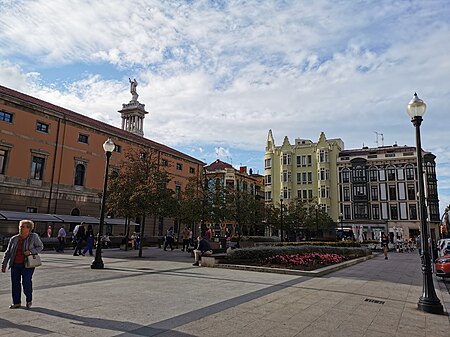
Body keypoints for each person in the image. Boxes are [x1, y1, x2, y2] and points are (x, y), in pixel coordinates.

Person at [1, 219, 44, 309]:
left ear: (29, 229)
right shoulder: (14, 238)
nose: (20, 228)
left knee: (26, 282)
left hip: (27, 265)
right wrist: (4, 264)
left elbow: (40, 247)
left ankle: (29, 299)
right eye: (20, 226)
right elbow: (8, 252)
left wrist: (31, 251)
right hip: (15, 265)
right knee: (15, 283)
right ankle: (16, 302)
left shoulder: (33, 237)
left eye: (22, 227)